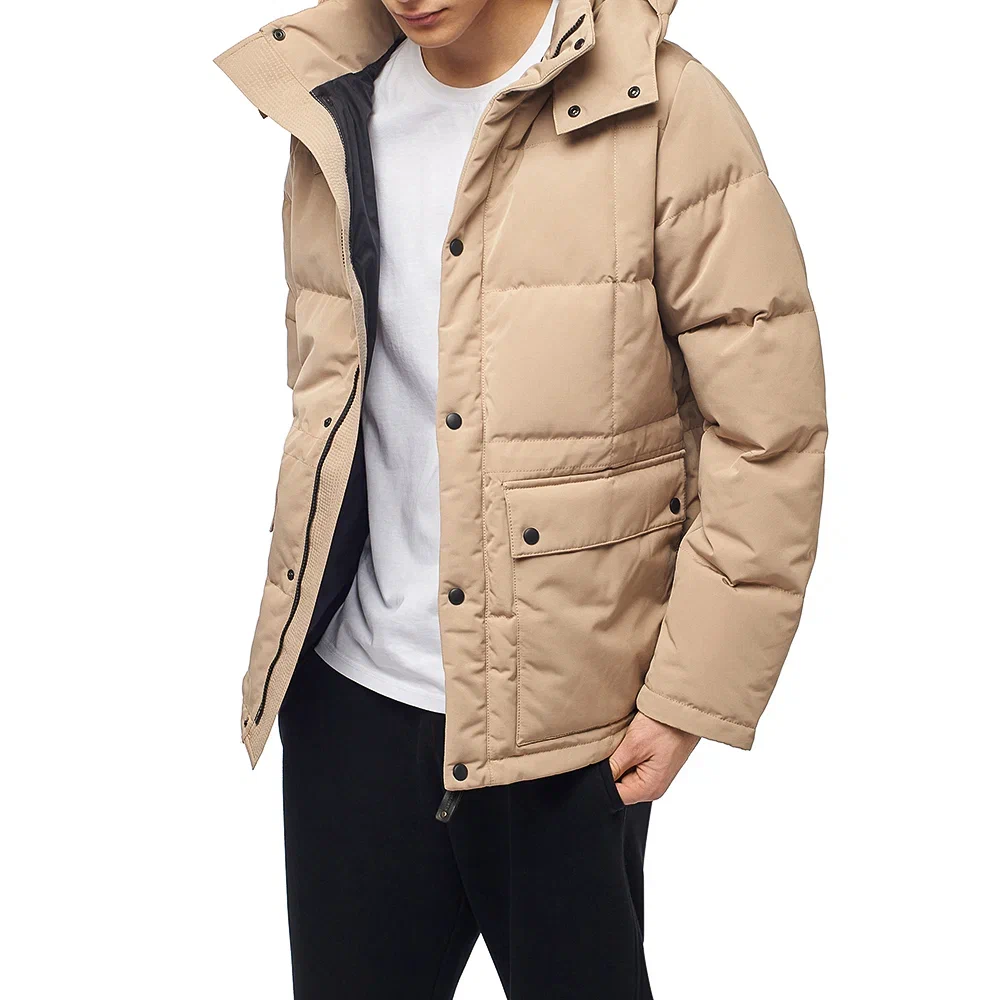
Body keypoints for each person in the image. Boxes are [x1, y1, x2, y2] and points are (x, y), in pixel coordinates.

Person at [214, 0, 826, 995]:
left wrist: (690, 695)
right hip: (352, 701)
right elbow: (331, 399)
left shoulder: (665, 110)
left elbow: (768, 433)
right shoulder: (334, 111)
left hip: (568, 725)